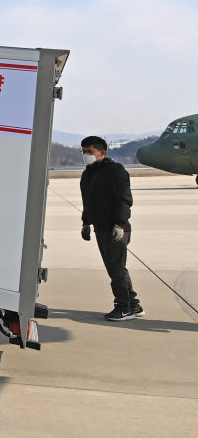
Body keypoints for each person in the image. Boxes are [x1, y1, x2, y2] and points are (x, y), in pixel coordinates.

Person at [79, 135, 143, 321]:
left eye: (89, 152)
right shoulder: (88, 173)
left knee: (115, 269)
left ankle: (124, 307)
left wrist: (120, 224)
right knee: (118, 267)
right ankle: (134, 304)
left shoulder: (115, 171)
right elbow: (87, 201)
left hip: (115, 227)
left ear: (102, 152)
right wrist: (85, 222)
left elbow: (125, 199)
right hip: (100, 226)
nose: (86, 155)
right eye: (83, 152)